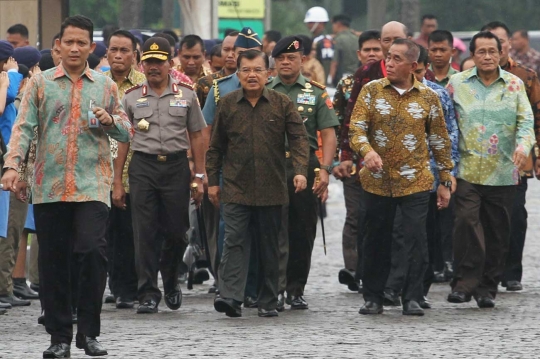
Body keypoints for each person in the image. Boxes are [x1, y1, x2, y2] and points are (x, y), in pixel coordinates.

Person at [1, 15, 132, 358]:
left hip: (92, 185)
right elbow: (23, 129)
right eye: (68, 42)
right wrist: (12, 166)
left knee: (91, 252)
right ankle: (58, 337)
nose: (74, 48)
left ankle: (89, 332)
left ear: (91, 47)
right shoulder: (40, 84)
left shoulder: (106, 86)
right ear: (58, 46)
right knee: (53, 262)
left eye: (81, 43)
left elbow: (127, 130)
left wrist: (110, 120)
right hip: (49, 186)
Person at [350, 38, 454, 317]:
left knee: (415, 239)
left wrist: (445, 180)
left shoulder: (429, 97)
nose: (390, 63)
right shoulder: (371, 91)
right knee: (375, 238)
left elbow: (439, 140)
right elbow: (356, 129)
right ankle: (372, 296)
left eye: (397, 59)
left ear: (413, 65)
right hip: (377, 179)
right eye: (388, 57)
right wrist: (367, 151)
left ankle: (413, 296)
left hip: (416, 180)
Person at [207, 49, 309, 318]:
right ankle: (230, 297)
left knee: (269, 245)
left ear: (269, 73)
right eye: (246, 70)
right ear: (237, 73)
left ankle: (268, 299)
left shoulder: (282, 103)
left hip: (272, 187)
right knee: (234, 241)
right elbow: (215, 147)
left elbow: (299, 139)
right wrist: (212, 182)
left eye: (258, 70)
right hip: (235, 186)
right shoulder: (227, 104)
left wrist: (300, 171)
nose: (252, 75)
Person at [447, 31, 535, 309]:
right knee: (466, 223)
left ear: (501, 54)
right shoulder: (457, 83)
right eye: (481, 51)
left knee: (498, 231)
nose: (487, 56)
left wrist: (523, 148)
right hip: (466, 169)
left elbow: (525, 122)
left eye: (492, 51)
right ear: (472, 55)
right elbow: (446, 124)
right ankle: (464, 283)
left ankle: (488, 287)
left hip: (503, 170)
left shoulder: (514, 85)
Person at [122, 37, 206, 315]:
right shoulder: (131, 96)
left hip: (175, 167)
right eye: (148, 62)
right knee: (144, 232)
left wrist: (200, 175)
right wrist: (115, 182)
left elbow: (197, 135)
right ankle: (147, 292)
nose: (153, 67)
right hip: (143, 167)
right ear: (141, 63)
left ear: (171, 64)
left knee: (176, 231)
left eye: (159, 62)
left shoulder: (187, 94)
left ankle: (170, 282)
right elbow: (123, 140)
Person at [384, 45, 459, 307]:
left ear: (420, 66)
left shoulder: (436, 95)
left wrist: (447, 176)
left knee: (423, 235)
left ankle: (418, 289)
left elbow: (448, 136)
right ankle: (393, 287)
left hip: (425, 176)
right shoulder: (380, 91)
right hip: (390, 177)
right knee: (395, 232)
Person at [268, 36, 338, 311]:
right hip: (270, 166)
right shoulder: (263, 89)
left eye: (292, 58)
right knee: (272, 230)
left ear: (302, 60)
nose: (286, 62)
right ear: (274, 61)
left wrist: (325, 169)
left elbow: (329, 133)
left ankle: (296, 289)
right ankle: (274, 288)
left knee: (302, 229)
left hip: (305, 166)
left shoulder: (316, 92)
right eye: (281, 58)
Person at [201, 26, 263, 302]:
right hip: (230, 171)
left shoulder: (272, 90)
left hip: (265, 172)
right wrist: (207, 174)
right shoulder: (219, 89)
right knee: (230, 231)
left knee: (262, 231)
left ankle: (256, 288)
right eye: (239, 56)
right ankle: (228, 289)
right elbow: (208, 135)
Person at [481, 21, 540, 293]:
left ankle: (511, 271)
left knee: (515, 214)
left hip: (516, 160)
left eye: (500, 41)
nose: (495, 47)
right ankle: (482, 270)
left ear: (508, 45)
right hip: (479, 161)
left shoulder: (526, 77)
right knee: (480, 217)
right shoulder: (469, 78)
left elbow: (538, 119)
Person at [332, 29, 383, 292]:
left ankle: (371, 269)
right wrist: (339, 159)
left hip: (384, 165)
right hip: (353, 162)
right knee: (355, 216)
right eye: (368, 50)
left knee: (377, 217)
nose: (372, 54)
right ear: (358, 53)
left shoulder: (391, 83)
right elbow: (338, 124)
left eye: (377, 49)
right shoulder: (346, 85)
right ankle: (352, 268)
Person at [103, 29, 146, 309]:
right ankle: (114, 284)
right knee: (105, 235)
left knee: (131, 234)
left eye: (124, 51)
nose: (118, 56)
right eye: (113, 50)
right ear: (106, 52)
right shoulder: (96, 83)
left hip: (136, 170)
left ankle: (131, 287)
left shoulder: (143, 85)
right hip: (99, 171)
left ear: (135, 54)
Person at [0, 42, 27, 309]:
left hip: (11, 162)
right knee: (7, 227)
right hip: (6, 164)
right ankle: (4, 288)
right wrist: (12, 75)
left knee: (12, 227)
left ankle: (6, 287)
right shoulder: (6, 84)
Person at [196, 31, 239, 110]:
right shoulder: (205, 83)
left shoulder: (252, 82)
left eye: (234, 50)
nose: (230, 55)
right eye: (226, 50)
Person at [304, 6, 334, 85]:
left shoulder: (324, 41)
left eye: (311, 22)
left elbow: (327, 64)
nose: (308, 25)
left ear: (320, 23)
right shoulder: (313, 39)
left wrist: (325, 83)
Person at [330, 15, 359, 86]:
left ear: (338, 24)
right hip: (357, 77)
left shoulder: (338, 39)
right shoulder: (357, 39)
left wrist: (329, 81)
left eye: (333, 24)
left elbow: (334, 62)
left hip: (342, 78)